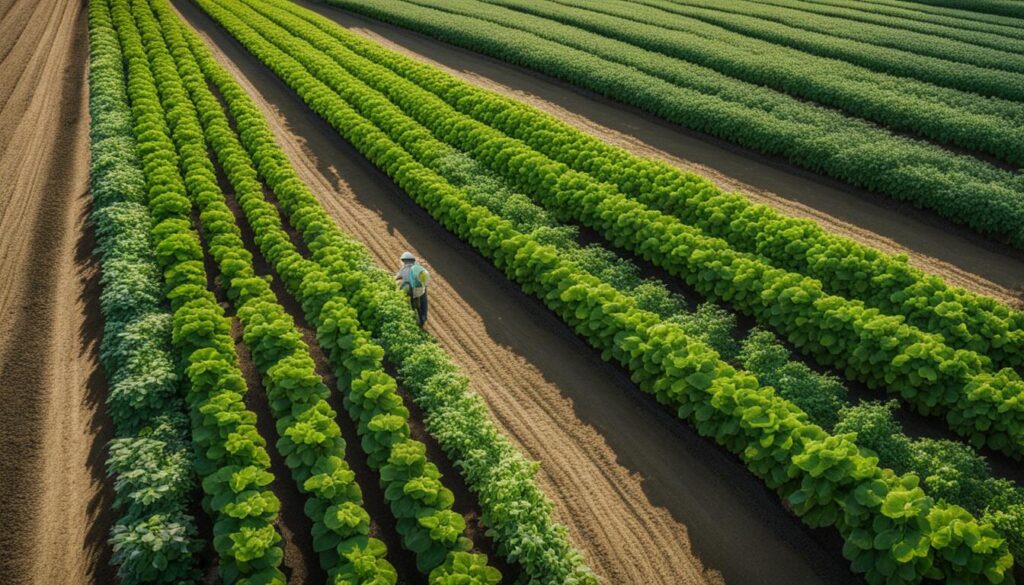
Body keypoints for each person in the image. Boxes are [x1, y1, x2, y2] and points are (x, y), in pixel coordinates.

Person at [396, 251, 430, 327]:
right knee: (423, 298)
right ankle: (424, 316)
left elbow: (398, 277)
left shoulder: (403, 268)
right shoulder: (417, 268)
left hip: (407, 288)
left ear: (403, 260)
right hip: (418, 288)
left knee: (399, 295)